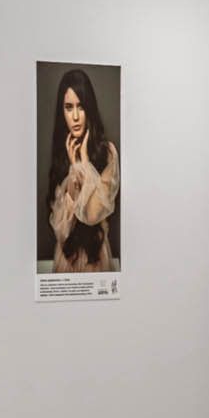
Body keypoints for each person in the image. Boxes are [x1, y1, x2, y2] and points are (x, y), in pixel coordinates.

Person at [45, 67, 120, 273]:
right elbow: (61, 230)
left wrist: (84, 165)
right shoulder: (61, 154)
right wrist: (72, 176)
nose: (76, 116)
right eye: (69, 108)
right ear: (62, 112)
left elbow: (93, 214)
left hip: (95, 262)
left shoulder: (107, 153)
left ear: (90, 109)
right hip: (66, 260)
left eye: (81, 106)